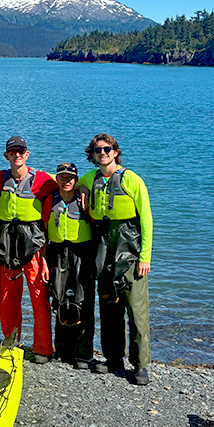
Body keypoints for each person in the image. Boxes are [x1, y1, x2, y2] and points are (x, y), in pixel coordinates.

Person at [78, 133, 153, 385]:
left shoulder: (131, 179)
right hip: (104, 248)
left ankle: (140, 364)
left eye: (107, 149)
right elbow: (65, 182)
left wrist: (145, 256)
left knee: (136, 310)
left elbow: (146, 220)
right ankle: (113, 359)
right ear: (93, 155)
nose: (103, 153)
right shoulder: (91, 179)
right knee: (109, 307)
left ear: (116, 152)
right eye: (98, 150)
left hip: (129, 248)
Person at [0, 136, 58, 364]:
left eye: (21, 151)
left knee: (39, 298)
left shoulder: (42, 180)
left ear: (27, 155)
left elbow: (67, 187)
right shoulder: (0, 178)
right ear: (6, 156)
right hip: (7, 245)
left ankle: (43, 348)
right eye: (13, 152)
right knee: (8, 297)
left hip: (34, 245)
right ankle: (11, 343)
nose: (17, 155)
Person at [42, 162, 95, 370]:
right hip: (57, 253)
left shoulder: (85, 200)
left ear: (76, 179)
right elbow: (45, 235)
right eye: (62, 176)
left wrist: (94, 262)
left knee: (84, 301)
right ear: (56, 178)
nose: (66, 180)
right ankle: (62, 351)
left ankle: (83, 354)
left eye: (71, 177)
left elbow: (96, 229)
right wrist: (45, 263)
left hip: (82, 253)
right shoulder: (50, 201)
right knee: (60, 299)